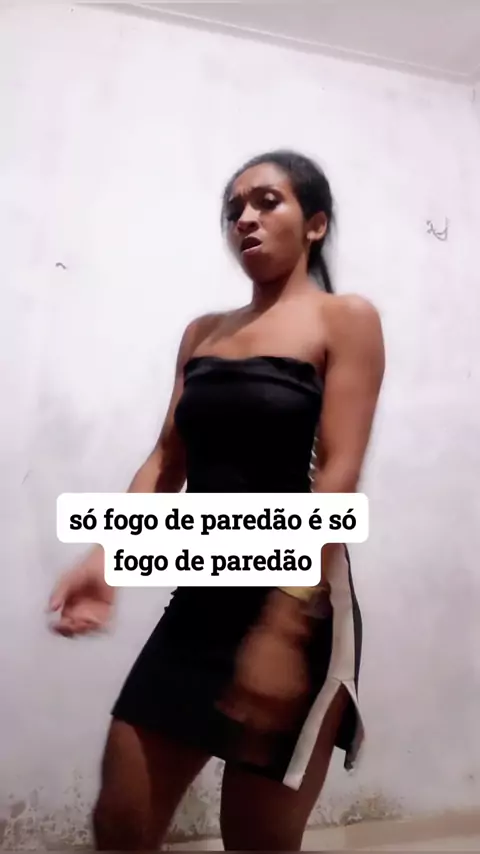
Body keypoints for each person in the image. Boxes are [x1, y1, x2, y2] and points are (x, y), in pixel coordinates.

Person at [48, 149, 385, 851]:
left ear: (316, 223)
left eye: (267, 201)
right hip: (199, 600)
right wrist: (105, 558)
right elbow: (167, 458)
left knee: (256, 841)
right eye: (234, 209)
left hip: (298, 601)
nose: (245, 219)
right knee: (120, 822)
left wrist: (282, 628)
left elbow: (338, 474)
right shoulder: (204, 334)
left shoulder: (344, 319)